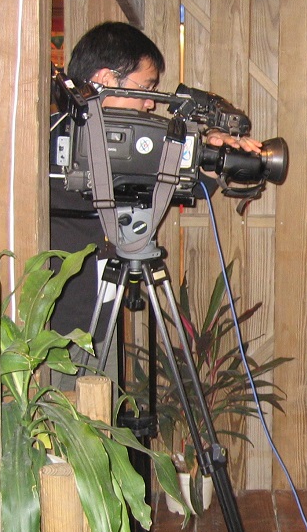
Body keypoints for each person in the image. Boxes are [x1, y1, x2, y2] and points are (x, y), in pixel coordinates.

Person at [50, 21, 261, 371]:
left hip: (98, 329)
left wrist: (212, 158)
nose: (150, 103)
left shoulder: (128, 149)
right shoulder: (44, 141)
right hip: (48, 334)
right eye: (146, 87)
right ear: (105, 79)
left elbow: (173, 184)